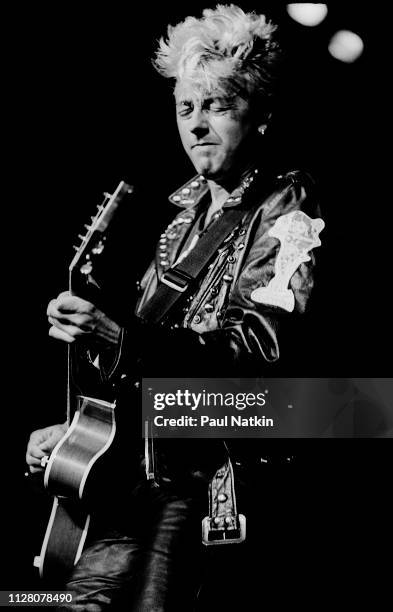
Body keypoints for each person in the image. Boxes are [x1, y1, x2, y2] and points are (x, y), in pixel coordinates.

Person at [26, 5, 323, 610]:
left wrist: (121, 335)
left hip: (208, 479)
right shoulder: (181, 218)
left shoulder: (289, 206)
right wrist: (80, 435)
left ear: (260, 115)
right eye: (186, 108)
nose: (196, 125)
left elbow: (260, 352)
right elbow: (145, 375)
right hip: (137, 476)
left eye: (216, 105)